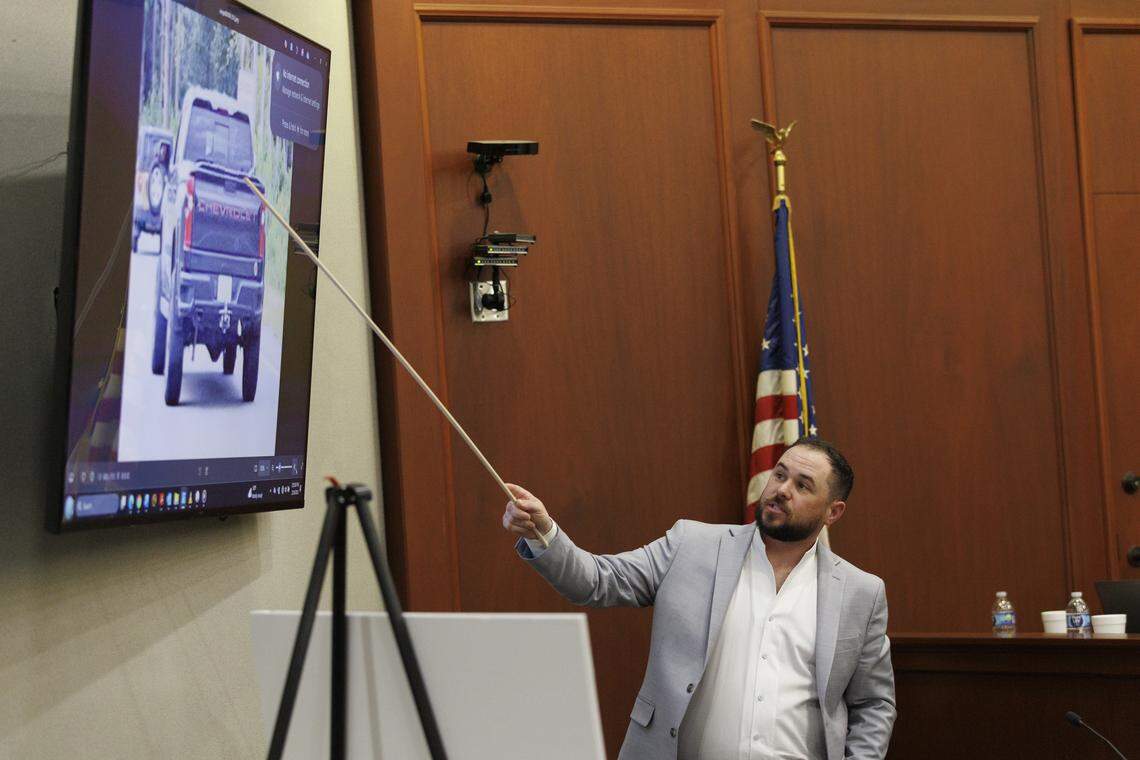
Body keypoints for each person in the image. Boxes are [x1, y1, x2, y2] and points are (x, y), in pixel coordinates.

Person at [502, 437, 895, 760]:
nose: (780, 490)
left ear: (833, 512)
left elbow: (874, 704)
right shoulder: (691, 545)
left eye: (802, 485)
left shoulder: (861, 592)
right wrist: (544, 532)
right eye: (779, 475)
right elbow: (597, 580)